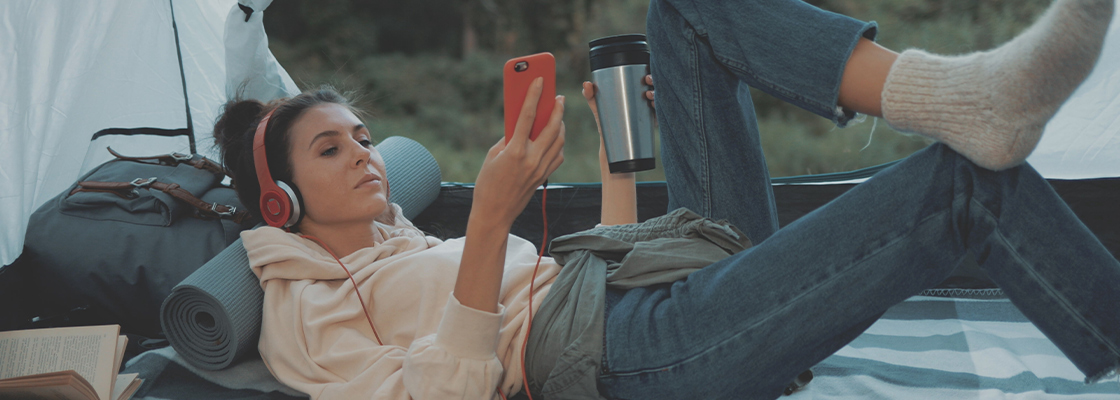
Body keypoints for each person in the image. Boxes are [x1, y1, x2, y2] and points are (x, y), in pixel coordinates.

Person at [210, 0, 1119, 398]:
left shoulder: (402, 241)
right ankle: (978, 119)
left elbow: (588, 277)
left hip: (649, 285)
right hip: (642, 356)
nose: (368, 156)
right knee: (961, 188)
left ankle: (945, 93)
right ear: (280, 201)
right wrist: (486, 223)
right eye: (333, 148)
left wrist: (620, 165)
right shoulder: (307, 307)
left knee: (680, 9)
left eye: (365, 138)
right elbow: (451, 388)